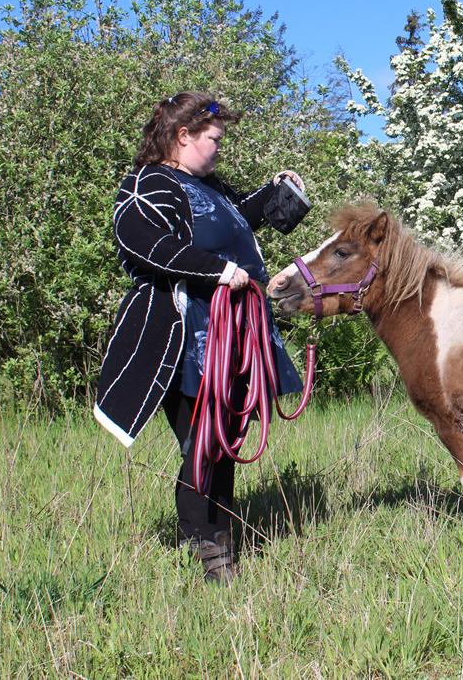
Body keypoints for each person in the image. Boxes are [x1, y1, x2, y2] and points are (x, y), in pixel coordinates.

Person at [93, 91, 304, 584]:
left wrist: (273, 195)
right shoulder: (148, 184)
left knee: (225, 439)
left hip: (233, 332)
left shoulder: (210, 187)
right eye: (213, 139)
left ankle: (218, 533)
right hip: (185, 337)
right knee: (202, 441)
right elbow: (143, 245)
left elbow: (233, 223)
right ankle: (208, 546)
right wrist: (216, 270)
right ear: (182, 136)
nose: (219, 148)